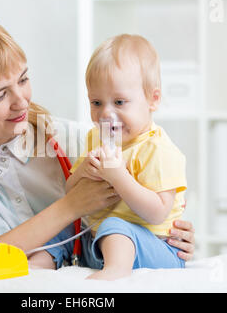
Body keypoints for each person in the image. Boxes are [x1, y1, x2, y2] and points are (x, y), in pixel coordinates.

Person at [0, 13, 195, 271]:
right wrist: (69, 207)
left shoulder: (65, 137)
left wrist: (169, 234)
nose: (22, 101)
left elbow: (151, 193)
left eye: (23, 80)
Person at [68, 34, 187, 280]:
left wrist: (118, 176)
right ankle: (39, 264)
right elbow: (69, 193)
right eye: (97, 102)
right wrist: (83, 172)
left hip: (153, 247)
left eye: (119, 102)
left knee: (116, 225)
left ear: (153, 99)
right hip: (97, 244)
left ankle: (116, 271)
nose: (106, 114)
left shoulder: (158, 149)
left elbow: (157, 213)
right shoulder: (95, 138)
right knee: (62, 222)